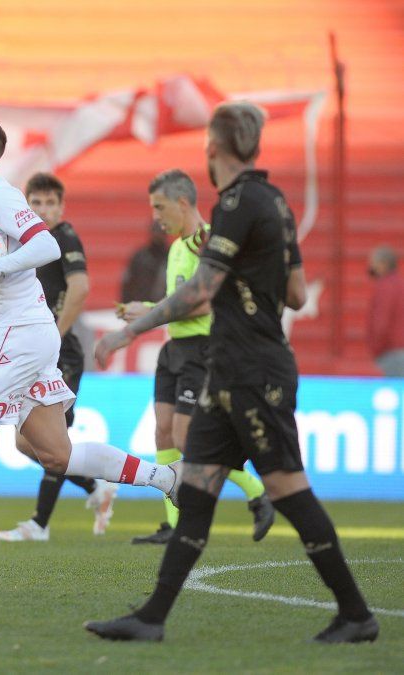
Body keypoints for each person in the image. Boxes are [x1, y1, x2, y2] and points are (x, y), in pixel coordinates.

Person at [87, 101, 378, 643]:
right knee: (196, 489)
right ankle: (151, 619)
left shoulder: (236, 203)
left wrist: (127, 330)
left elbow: (199, 293)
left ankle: (357, 614)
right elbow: (295, 293)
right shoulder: (277, 203)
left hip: (252, 370)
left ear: (212, 149)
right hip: (232, 367)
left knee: (289, 489)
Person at [0, 80, 181, 588]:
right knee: (56, 454)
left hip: (16, 332)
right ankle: (168, 478)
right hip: (29, 332)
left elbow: (43, 247)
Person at [123, 169, 274, 545]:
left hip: (201, 349)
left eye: (160, 207)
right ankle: (172, 524)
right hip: (173, 348)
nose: (156, 216)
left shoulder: (205, 243)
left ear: (182, 202)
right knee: (161, 431)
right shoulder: (176, 247)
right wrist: (150, 308)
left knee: (188, 438)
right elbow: (179, 302)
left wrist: (149, 314)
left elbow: (206, 303)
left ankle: (256, 491)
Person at [0, 173, 118, 542]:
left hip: (60, 352)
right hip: (37, 350)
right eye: (37, 203)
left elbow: (80, 288)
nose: (44, 210)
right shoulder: (28, 243)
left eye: (51, 203)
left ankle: (39, 525)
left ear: (61, 207)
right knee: (24, 442)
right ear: (26, 206)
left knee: (51, 436)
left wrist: (55, 335)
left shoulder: (63, 237)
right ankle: (95, 487)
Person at [367, 245, 404, 377]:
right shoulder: (400, 283)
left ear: (384, 264)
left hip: (392, 352)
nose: (371, 267)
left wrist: (376, 349)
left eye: (373, 263)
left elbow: (381, 322)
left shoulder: (384, 287)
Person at [120, 221, 169, 303]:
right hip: (141, 306)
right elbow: (128, 283)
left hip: (163, 307)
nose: (158, 236)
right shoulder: (140, 257)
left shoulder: (171, 256)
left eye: (160, 233)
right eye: (156, 232)